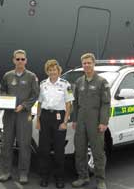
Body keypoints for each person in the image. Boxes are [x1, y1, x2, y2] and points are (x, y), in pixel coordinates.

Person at [0, 50, 40, 184]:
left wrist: (24, 106)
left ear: (26, 61)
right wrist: (6, 101)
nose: (20, 61)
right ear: (13, 60)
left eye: (22, 59)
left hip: (24, 115)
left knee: (24, 145)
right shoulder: (7, 76)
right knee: (6, 144)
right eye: (18, 59)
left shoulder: (31, 77)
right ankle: (6, 172)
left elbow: (35, 95)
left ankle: (23, 173)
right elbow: (3, 90)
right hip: (9, 115)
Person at [71, 53, 111, 189]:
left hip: (95, 121)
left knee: (98, 152)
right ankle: (83, 177)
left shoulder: (102, 82)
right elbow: (75, 103)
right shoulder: (78, 82)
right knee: (80, 151)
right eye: (84, 63)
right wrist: (74, 120)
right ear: (82, 65)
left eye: (89, 63)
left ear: (94, 64)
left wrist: (104, 121)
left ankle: (100, 180)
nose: (87, 65)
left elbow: (106, 103)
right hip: (81, 120)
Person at [36, 60, 74, 188]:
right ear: (47, 71)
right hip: (45, 117)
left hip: (59, 118)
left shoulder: (65, 84)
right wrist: (38, 120)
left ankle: (59, 178)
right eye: (50, 70)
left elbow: (69, 104)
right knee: (44, 149)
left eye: (55, 69)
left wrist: (65, 122)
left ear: (59, 71)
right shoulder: (42, 84)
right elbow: (40, 103)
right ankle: (44, 177)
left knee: (59, 150)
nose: (52, 72)